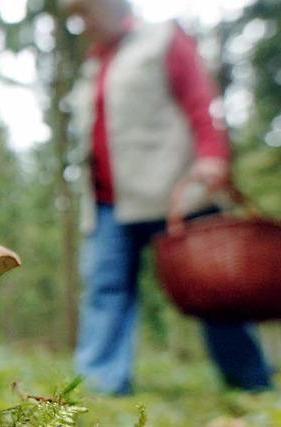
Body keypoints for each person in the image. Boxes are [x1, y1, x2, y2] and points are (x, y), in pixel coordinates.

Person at [62, 0, 272, 395]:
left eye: (84, 12)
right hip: (107, 203)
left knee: (216, 287)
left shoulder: (161, 39)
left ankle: (251, 384)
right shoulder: (93, 65)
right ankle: (99, 386)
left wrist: (212, 158)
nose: (81, 23)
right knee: (105, 289)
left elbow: (198, 100)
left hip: (174, 191)